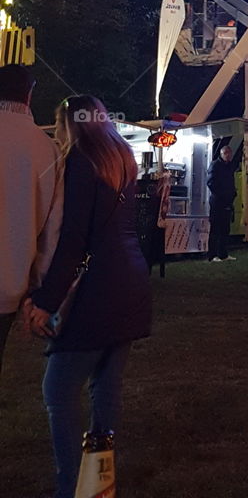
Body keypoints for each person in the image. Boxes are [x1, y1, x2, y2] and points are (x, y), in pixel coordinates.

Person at [25, 95, 152, 498]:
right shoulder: (121, 157)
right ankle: (100, 483)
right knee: (106, 390)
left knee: (58, 391)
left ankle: (71, 487)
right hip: (130, 280)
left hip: (98, 289)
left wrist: (45, 301)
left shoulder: (82, 161)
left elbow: (74, 240)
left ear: (71, 125)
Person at [0, 64, 63, 371]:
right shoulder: (47, 149)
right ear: (30, 93)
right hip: (10, 283)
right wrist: (36, 287)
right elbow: (52, 232)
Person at [207, 144, 238, 262]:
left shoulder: (229, 166)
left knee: (225, 229)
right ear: (222, 154)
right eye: (226, 153)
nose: (228, 155)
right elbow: (211, 183)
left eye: (229, 153)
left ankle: (223, 254)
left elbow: (230, 182)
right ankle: (212, 255)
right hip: (217, 202)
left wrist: (233, 194)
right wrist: (222, 195)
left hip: (227, 201)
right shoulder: (215, 165)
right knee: (215, 229)